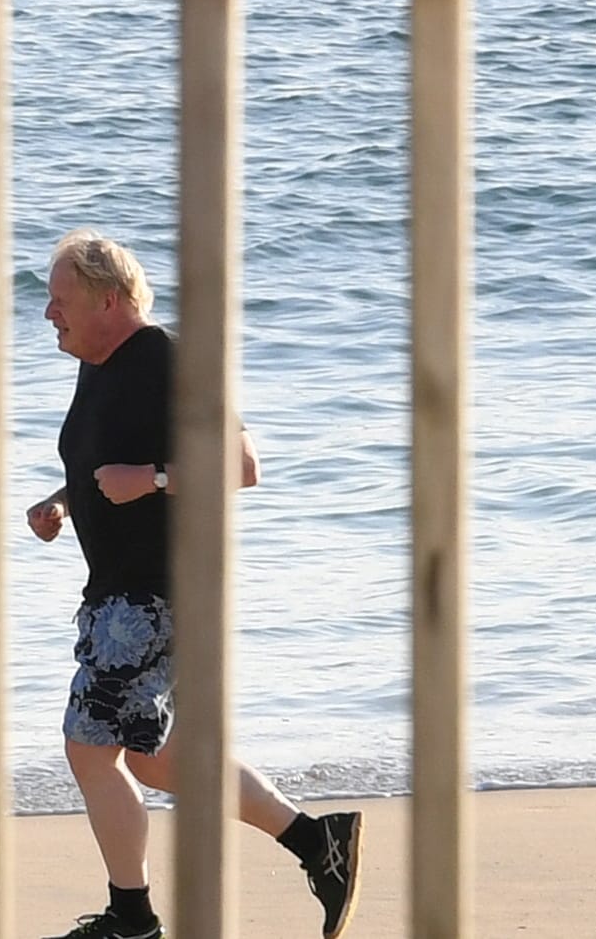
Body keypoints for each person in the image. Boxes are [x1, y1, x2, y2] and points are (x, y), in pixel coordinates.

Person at [27, 229, 364, 939]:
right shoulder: (98, 363)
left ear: (107, 299)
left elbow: (241, 467)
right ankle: (317, 843)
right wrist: (65, 499)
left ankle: (132, 919)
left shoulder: (168, 360)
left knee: (90, 748)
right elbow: (112, 463)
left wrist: (149, 481)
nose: (48, 313)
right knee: (153, 759)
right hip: (119, 595)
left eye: (60, 300)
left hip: (154, 597)